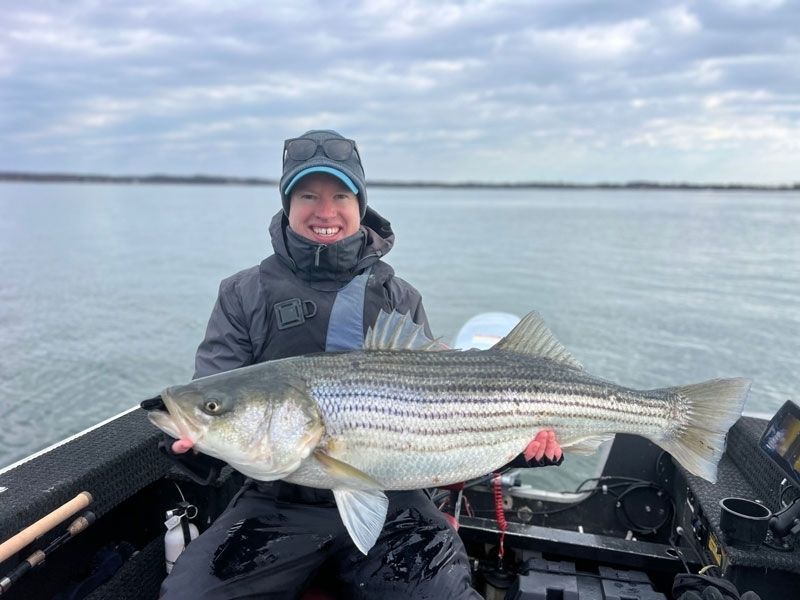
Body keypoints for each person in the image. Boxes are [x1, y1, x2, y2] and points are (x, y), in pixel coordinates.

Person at [158, 130, 563, 599]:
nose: (325, 212)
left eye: (341, 195)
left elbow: (445, 414)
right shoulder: (243, 293)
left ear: (360, 204)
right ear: (288, 205)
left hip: (398, 502)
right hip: (275, 503)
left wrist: (518, 446)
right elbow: (217, 395)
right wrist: (196, 450)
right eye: (308, 195)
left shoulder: (399, 297)